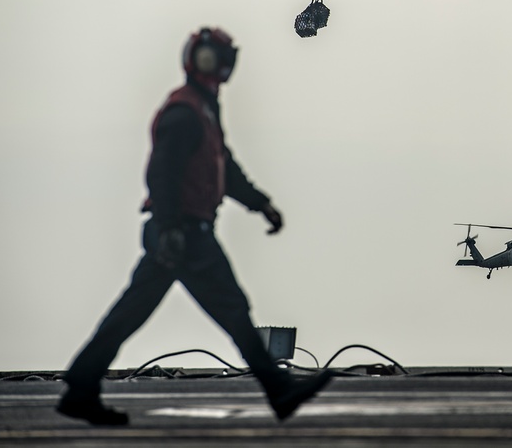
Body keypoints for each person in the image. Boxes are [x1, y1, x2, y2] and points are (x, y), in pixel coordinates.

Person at [57, 27, 332, 425]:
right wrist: (172, 228)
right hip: (185, 233)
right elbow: (161, 173)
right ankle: (279, 390)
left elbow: (225, 170)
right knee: (234, 311)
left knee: (131, 313)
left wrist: (261, 204)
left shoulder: (202, 111)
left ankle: (81, 387)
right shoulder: (186, 112)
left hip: (176, 231)